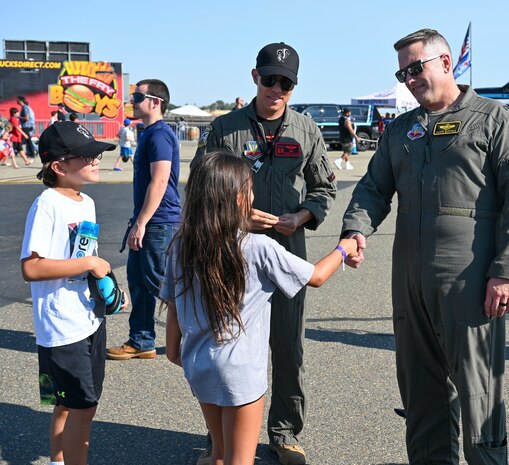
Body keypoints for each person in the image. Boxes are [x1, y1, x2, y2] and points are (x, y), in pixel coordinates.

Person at [341, 28, 509, 465]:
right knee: (420, 386)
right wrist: (355, 229)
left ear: (446, 62)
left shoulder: (492, 119)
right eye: (402, 72)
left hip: (467, 277)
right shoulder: (401, 130)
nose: (409, 79)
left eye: (416, 68)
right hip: (409, 279)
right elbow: (374, 187)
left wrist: (506, 270)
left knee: (478, 388)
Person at [162, 152, 356, 465]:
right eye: (249, 189)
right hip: (239, 372)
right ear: (239, 198)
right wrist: (343, 249)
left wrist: (175, 351)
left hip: (198, 363)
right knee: (241, 459)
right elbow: (316, 276)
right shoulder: (257, 247)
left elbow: (173, 304)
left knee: (220, 453)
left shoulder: (182, 243)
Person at [195, 42, 336, 465]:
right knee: (228, 345)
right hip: (232, 251)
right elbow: (203, 188)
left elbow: (324, 188)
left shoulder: (306, 130)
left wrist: (304, 216)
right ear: (255, 76)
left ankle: (284, 432)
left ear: (294, 87)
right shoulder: (224, 128)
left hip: (287, 248)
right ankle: (219, 441)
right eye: (270, 79)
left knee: (288, 346)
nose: (277, 88)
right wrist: (234, 220)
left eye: (286, 83)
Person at [20, 121, 124, 465]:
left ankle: (57, 461)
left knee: (68, 402)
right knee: (82, 406)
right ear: (59, 166)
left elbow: (81, 256)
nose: (96, 159)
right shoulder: (47, 204)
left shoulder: (87, 203)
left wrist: (100, 282)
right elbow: (31, 268)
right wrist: (90, 265)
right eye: (87, 155)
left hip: (88, 319)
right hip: (62, 327)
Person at [107, 79, 181, 360]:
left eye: (138, 97)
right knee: (138, 280)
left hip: (159, 222)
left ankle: (197, 336)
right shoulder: (148, 132)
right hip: (149, 220)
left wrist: (142, 222)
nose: (133, 102)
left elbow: (160, 181)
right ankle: (141, 341)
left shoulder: (160, 134)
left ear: (155, 102)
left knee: (162, 283)